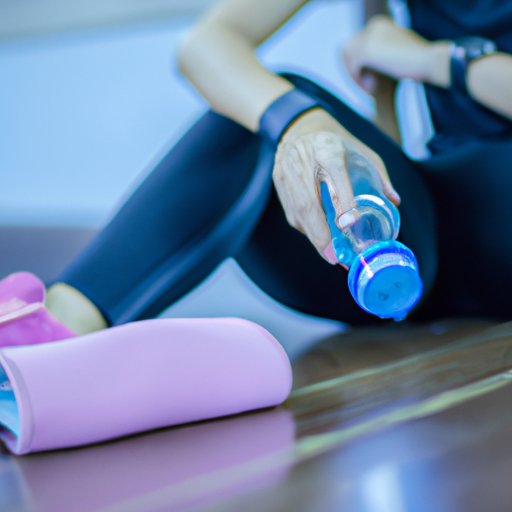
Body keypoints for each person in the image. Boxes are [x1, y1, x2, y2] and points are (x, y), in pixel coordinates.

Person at [2, 0, 512, 345]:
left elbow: (401, 59)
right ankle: (60, 324)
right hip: (417, 252)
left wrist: (435, 59)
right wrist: (297, 123)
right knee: (267, 117)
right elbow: (205, 44)